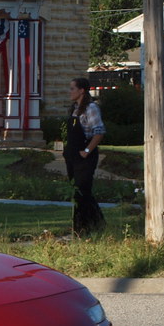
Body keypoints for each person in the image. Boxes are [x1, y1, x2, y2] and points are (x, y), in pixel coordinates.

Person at [63, 77, 106, 235]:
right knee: (77, 191)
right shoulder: (75, 108)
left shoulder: (91, 108)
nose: (70, 92)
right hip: (72, 156)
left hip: (84, 156)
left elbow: (99, 131)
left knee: (83, 191)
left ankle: (87, 226)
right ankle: (87, 226)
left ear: (81, 90)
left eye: (72, 89)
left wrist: (87, 151)